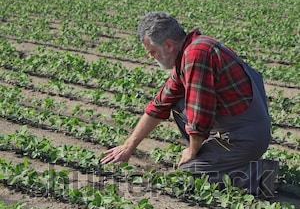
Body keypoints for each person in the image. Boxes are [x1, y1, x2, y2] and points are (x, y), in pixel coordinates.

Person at [101, 11, 278, 196]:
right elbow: (160, 104)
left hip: (244, 137)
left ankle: (260, 176)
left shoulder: (197, 55)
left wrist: (192, 151)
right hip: (235, 129)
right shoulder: (190, 52)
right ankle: (215, 158)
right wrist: (128, 146)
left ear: (168, 45)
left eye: (152, 52)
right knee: (176, 102)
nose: (151, 58)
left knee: (188, 176)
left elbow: (200, 112)